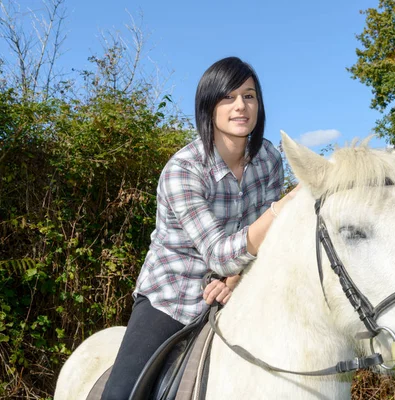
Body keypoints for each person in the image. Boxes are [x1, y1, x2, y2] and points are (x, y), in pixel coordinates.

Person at [101, 56, 297, 399]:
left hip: (238, 286)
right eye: (228, 97)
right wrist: (282, 209)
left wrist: (235, 279)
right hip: (173, 294)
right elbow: (221, 253)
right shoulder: (183, 170)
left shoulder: (268, 159)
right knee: (121, 394)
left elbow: (267, 242)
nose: (241, 106)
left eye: (249, 96)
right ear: (208, 107)